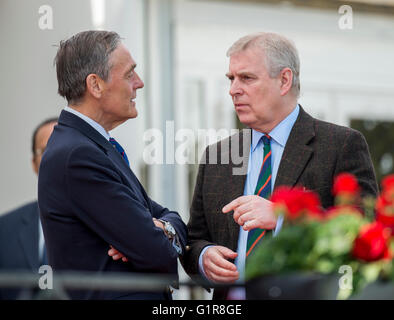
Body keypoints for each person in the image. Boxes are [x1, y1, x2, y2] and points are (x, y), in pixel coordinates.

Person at [181, 32, 378, 300]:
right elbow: (193, 240)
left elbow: (364, 231)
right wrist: (204, 257)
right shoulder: (218, 155)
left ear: (284, 80)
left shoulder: (340, 144)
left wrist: (285, 218)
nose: (233, 89)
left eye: (247, 78)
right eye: (231, 79)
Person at [38, 30, 187, 300]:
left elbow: (166, 217)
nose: (139, 83)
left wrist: (160, 228)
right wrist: (151, 234)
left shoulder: (92, 145)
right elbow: (154, 250)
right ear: (95, 85)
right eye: (130, 74)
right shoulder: (78, 155)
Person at [0, 118, 57, 299]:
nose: (55, 155)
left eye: (64, 147)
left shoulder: (107, 227)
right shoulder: (4, 230)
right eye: (46, 149)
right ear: (34, 163)